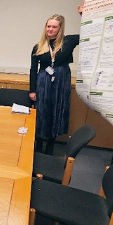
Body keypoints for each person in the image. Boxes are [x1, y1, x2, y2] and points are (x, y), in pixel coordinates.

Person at [30, 15, 80, 154]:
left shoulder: (68, 41)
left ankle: (51, 145)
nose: (50, 29)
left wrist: (84, 14)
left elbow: (89, 33)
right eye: (48, 26)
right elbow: (33, 69)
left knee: (56, 111)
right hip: (43, 83)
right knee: (42, 112)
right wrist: (32, 90)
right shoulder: (38, 46)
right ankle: (39, 144)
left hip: (61, 82)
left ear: (60, 28)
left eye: (54, 27)